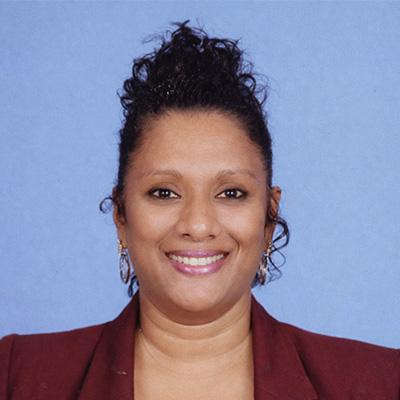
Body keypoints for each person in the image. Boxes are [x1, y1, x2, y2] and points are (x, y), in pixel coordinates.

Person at [0, 22, 399, 400]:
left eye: (231, 193)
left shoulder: (381, 383)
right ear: (121, 216)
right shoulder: (15, 376)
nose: (198, 224)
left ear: (269, 217)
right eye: (164, 192)